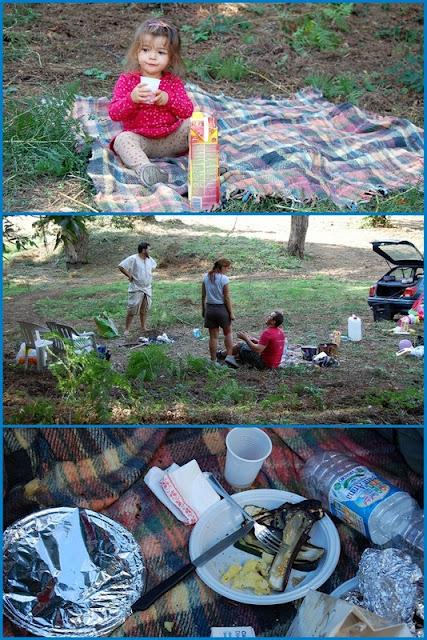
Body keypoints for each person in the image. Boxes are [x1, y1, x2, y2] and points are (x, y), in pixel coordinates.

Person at [108, 19, 194, 188]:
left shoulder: (172, 82)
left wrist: (168, 100)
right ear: (136, 52)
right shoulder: (127, 80)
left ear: (171, 58)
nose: (152, 57)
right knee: (122, 140)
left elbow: (187, 110)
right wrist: (131, 99)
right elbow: (114, 113)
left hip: (172, 137)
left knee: (199, 124)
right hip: (141, 141)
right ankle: (147, 170)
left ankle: (209, 163)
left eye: (161, 52)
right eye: (146, 50)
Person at [202, 259, 238, 367]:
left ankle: (213, 361)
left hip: (209, 309)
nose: (227, 270)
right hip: (221, 309)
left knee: (213, 337)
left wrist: (203, 310)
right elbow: (226, 297)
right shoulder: (224, 279)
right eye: (226, 267)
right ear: (221, 267)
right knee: (228, 332)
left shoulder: (206, 277)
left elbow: (203, 296)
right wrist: (231, 313)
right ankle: (230, 358)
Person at [220, 311, 286, 369]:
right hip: (275, 364)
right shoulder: (280, 332)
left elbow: (258, 349)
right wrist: (256, 341)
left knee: (241, 345)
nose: (268, 317)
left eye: (270, 316)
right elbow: (269, 346)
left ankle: (221, 355)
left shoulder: (268, 332)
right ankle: (227, 356)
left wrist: (246, 339)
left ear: (273, 321)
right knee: (244, 346)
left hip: (264, 365)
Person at [118, 241, 157, 337]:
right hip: (136, 287)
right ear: (144, 250)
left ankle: (143, 327)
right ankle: (127, 329)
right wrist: (129, 275)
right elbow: (121, 266)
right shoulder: (133, 258)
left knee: (144, 309)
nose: (150, 251)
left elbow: (153, 267)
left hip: (147, 288)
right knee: (132, 308)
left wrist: (146, 276)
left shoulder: (149, 259)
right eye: (149, 249)